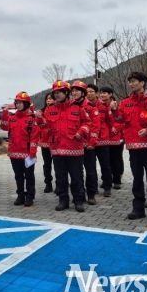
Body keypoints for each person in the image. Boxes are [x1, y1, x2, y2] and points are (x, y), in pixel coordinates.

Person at [116, 72, 147, 223]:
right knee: (137, 180)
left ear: (143, 83)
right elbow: (120, 120)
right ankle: (138, 209)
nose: (131, 84)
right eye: (130, 81)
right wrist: (113, 110)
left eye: (134, 81)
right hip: (133, 148)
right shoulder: (125, 102)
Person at [36, 81, 88, 212]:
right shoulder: (50, 109)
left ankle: (78, 201)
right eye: (55, 93)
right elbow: (45, 127)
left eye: (60, 92)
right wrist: (40, 119)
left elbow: (87, 123)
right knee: (60, 178)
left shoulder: (77, 108)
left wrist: (80, 132)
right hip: (57, 150)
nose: (57, 95)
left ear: (66, 93)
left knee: (76, 178)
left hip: (74, 149)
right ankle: (63, 201)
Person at [0, 92, 39, 206]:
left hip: (28, 153)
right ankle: (20, 195)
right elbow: (4, 126)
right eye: (16, 102)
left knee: (29, 176)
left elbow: (35, 136)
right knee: (18, 176)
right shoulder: (12, 118)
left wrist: (32, 151)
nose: (18, 104)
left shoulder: (32, 119)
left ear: (26, 104)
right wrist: (5, 113)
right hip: (14, 152)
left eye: (21, 102)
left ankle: (30, 196)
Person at [70, 81, 99, 204]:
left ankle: (91, 194)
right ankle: (79, 194)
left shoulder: (91, 107)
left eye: (77, 90)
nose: (74, 93)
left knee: (90, 171)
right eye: (73, 91)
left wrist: (92, 143)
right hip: (75, 145)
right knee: (77, 172)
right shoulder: (70, 106)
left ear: (83, 92)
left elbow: (95, 127)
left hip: (88, 145)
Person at [86, 84, 114, 198]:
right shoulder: (83, 106)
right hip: (89, 140)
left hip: (102, 140)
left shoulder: (103, 106)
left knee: (105, 165)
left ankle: (107, 187)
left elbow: (110, 121)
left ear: (96, 93)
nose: (89, 93)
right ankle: (93, 188)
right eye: (87, 92)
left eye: (91, 91)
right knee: (90, 167)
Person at [99, 86, 124, 190]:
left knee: (116, 159)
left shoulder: (116, 105)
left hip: (116, 136)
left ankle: (117, 180)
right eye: (101, 93)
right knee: (106, 161)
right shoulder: (99, 105)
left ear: (110, 94)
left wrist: (115, 128)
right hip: (105, 137)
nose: (102, 95)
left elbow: (121, 119)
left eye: (105, 93)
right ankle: (106, 179)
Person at [38, 93, 55, 194]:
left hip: (56, 142)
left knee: (58, 165)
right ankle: (48, 183)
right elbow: (39, 126)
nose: (49, 100)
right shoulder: (41, 111)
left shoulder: (58, 110)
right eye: (47, 99)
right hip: (45, 142)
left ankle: (60, 184)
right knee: (47, 164)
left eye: (51, 98)